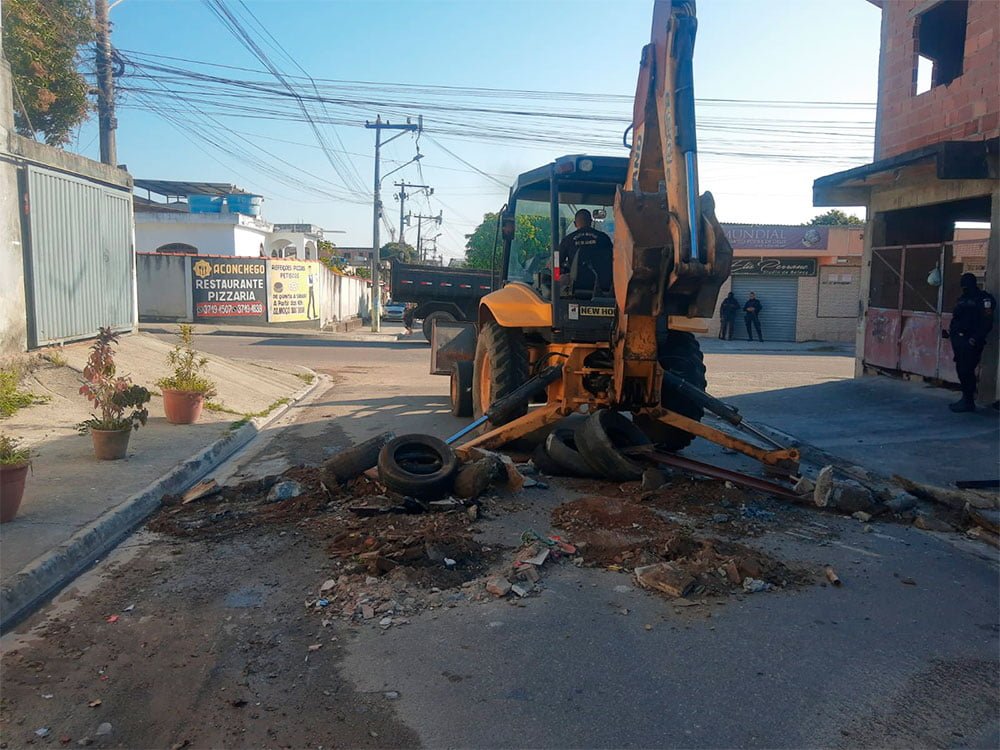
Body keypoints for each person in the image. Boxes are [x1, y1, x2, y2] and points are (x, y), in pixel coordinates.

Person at [943, 272, 995, 412]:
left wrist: (975, 339)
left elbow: (987, 322)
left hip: (972, 341)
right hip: (960, 340)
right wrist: (952, 334)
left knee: (967, 370)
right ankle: (966, 398)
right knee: (962, 370)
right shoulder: (962, 299)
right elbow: (957, 318)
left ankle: (969, 400)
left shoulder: (984, 299)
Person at [558, 208, 613, 282]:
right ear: (591, 222)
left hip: (575, 287)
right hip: (602, 287)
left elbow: (556, 262)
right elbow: (614, 260)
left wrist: (556, 277)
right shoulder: (604, 238)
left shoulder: (567, 240)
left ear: (575, 224)